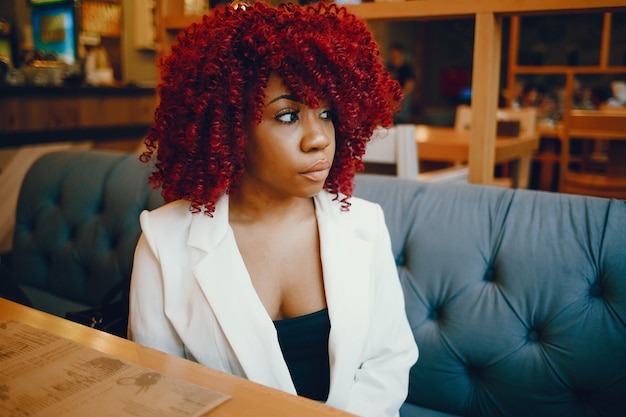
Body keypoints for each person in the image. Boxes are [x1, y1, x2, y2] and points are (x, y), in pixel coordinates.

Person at [128, 2, 418, 417]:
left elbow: (388, 363)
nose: (319, 139)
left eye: (327, 114)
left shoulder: (364, 224)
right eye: (288, 116)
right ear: (228, 127)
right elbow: (157, 391)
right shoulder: (164, 241)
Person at [386, 42, 416, 123]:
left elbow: (410, 85)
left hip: (402, 95)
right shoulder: (389, 66)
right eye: (393, 55)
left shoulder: (406, 68)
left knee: (403, 108)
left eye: (396, 55)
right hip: (391, 94)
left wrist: (400, 94)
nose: (394, 57)